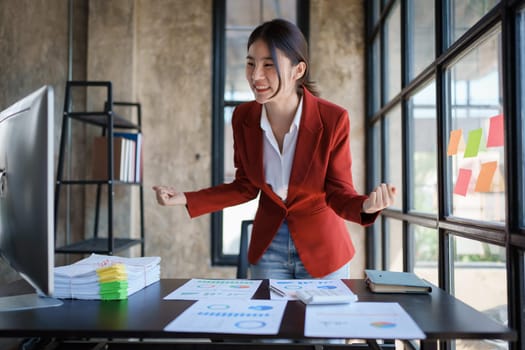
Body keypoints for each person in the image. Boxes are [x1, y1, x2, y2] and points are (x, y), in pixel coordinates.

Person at [153, 18, 396, 281]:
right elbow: (245, 186)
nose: (256, 75)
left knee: (320, 322)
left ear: (298, 70)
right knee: (268, 321)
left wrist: (366, 206)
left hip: (322, 249)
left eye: (268, 65)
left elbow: (337, 192)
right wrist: (185, 198)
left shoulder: (333, 119)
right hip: (268, 247)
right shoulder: (243, 117)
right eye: (250, 63)